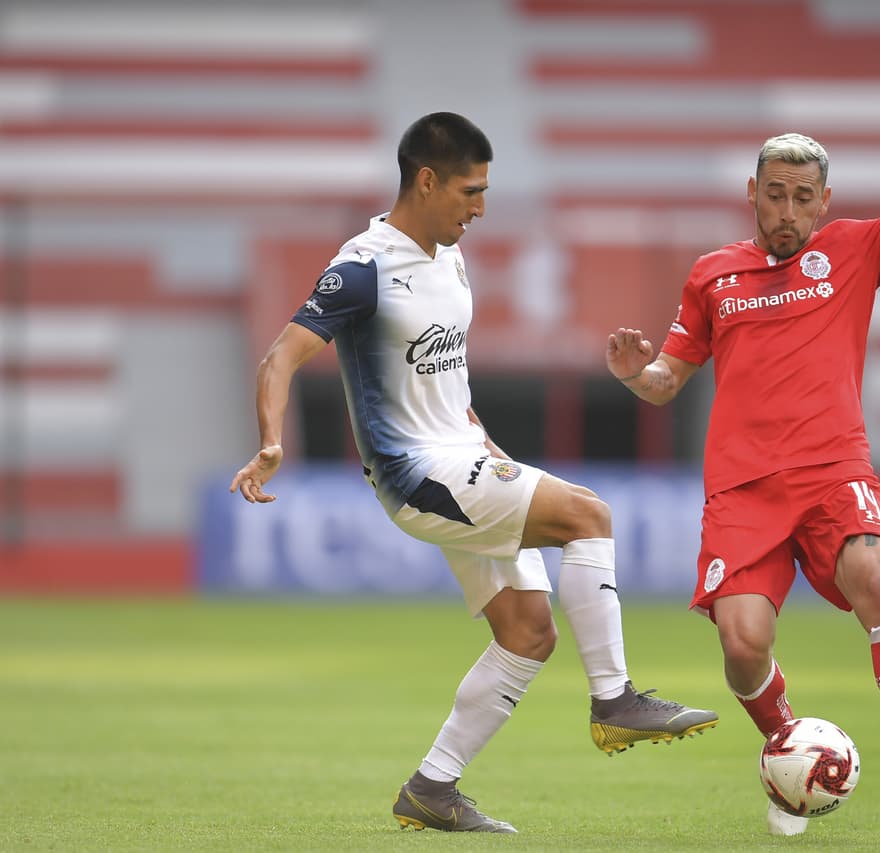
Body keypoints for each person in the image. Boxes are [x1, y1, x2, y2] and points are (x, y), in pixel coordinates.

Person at [230, 111, 717, 834]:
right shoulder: (364, 266)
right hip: (417, 474)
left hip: (465, 456)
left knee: (528, 632)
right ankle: (614, 701)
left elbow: (444, 379)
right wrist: (273, 440)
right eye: (470, 190)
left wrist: (484, 442)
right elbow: (280, 356)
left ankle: (432, 787)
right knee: (590, 515)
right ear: (425, 181)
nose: (480, 208)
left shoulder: (448, 255)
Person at [605, 27, 880, 837]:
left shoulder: (859, 249)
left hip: (830, 470)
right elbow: (667, 382)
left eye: (802, 197)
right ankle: (791, 760)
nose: (787, 211)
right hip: (743, 488)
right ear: (752, 192)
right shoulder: (714, 273)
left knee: (877, 576)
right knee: (743, 646)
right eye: (773, 194)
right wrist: (634, 371)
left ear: (824, 199)